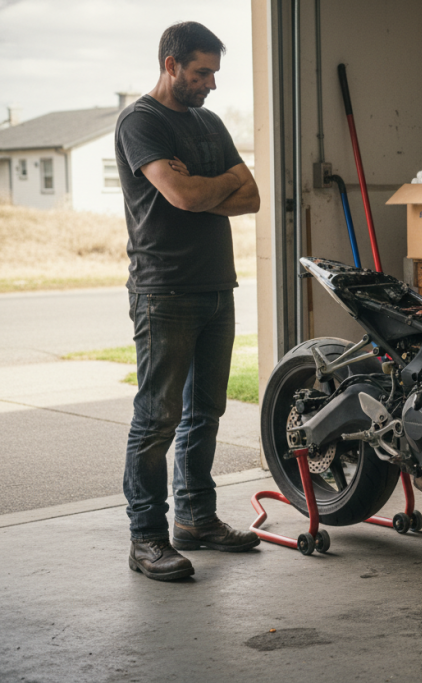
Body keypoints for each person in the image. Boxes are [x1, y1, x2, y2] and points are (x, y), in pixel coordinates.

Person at [115, 21, 261, 581]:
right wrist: (208, 185)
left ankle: (196, 518)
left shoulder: (208, 121)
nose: (211, 85)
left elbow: (250, 196)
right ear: (171, 64)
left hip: (216, 286)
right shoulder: (140, 122)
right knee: (157, 418)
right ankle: (146, 538)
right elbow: (178, 193)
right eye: (202, 73)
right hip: (164, 290)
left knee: (206, 412)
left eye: (214, 73)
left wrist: (206, 188)